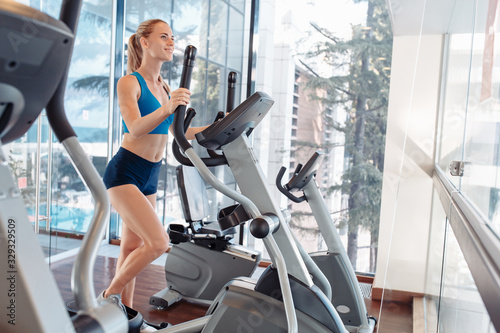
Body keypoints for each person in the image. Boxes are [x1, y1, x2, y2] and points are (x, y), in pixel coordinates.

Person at [100, 18, 206, 323]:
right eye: (164, 36)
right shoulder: (130, 82)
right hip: (125, 173)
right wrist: (167, 106)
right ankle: (109, 296)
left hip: (150, 173)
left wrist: (220, 128)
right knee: (158, 243)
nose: (171, 42)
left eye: (172, 37)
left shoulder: (165, 87)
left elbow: (177, 130)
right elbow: (134, 129)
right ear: (144, 42)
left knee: (131, 247)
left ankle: (125, 317)